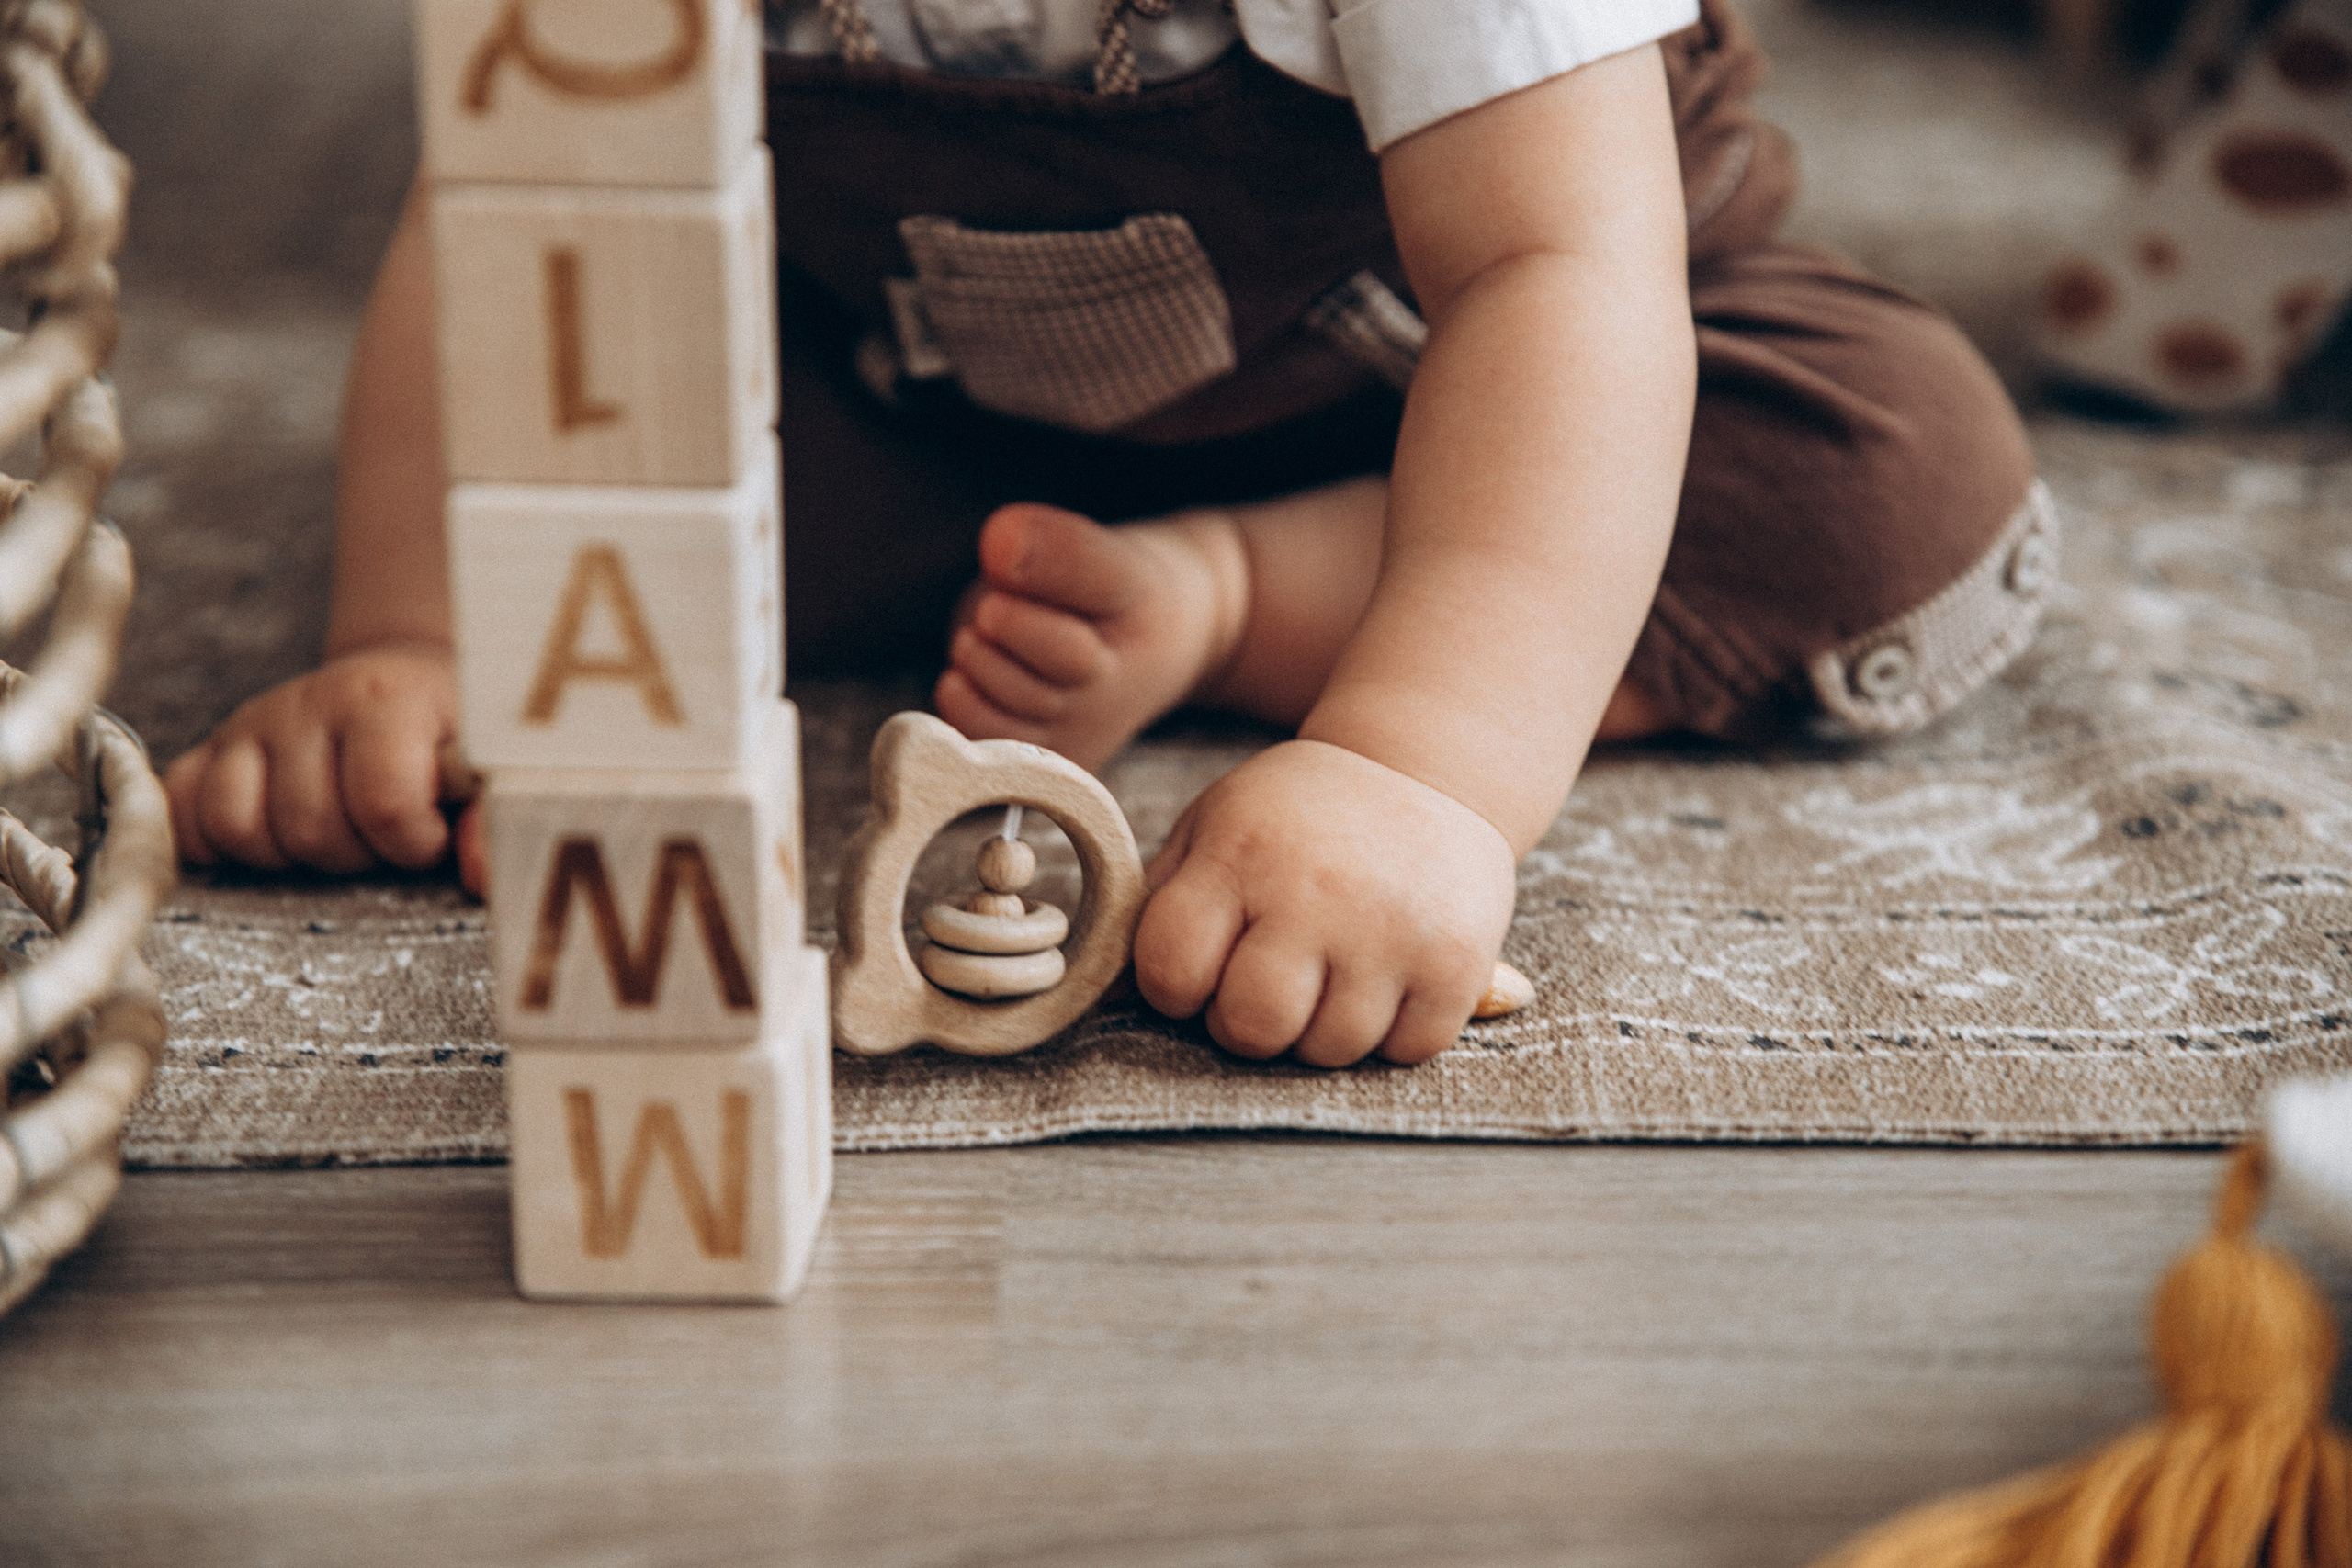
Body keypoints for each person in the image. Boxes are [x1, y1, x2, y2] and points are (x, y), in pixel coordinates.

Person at [164, 0, 2047, 1069]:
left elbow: (1556, 276)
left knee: (1889, 483)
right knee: (637, 465)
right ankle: (1113, 571)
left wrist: (1420, 771)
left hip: (1491, 401)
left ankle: (1241, 595)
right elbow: (514, 210)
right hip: (930, 408)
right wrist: (424, 628)